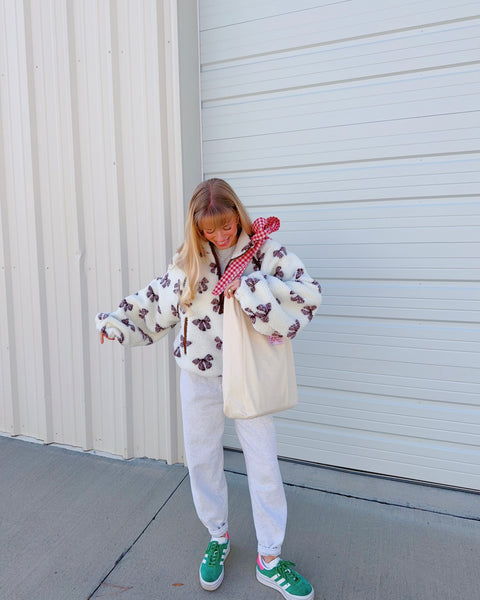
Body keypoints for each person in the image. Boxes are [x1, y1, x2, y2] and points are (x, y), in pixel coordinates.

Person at [96, 178, 321, 599]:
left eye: (227, 224)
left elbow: (307, 295)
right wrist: (117, 323)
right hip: (198, 378)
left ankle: (270, 558)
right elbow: (154, 304)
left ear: (237, 214)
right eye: (210, 229)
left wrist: (254, 288)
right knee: (201, 460)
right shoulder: (188, 262)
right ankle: (218, 537)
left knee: (264, 465)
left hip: (248, 376)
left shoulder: (266, 251)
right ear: (197, 228)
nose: (221, 234)